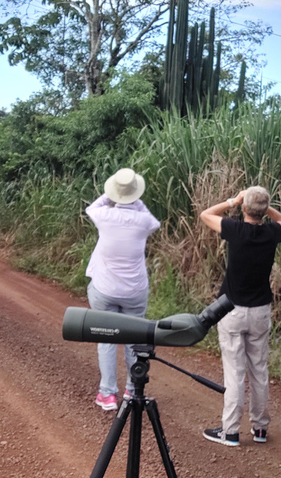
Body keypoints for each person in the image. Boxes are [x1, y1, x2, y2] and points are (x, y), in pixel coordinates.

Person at [199, 187, 281, 446]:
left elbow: (205, 214)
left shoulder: (235, 230)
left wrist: (233, 201)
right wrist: (264, 205)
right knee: (259, 370)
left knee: (235, 372)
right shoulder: (272, 233)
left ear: (245, 209)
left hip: (232, 310)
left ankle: (231, 431)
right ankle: (260, 428)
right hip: (260, 310)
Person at [85, 168, 160, 411]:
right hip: (134, 291)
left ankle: (107, 394)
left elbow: (91, 208)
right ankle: (131, 389)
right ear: (136, 194)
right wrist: (134, 200)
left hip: (105, 288)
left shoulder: (104, 215)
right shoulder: (144, 220)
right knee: (133, 340)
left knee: (106, 340)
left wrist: (111, 196)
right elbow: (153, 220)